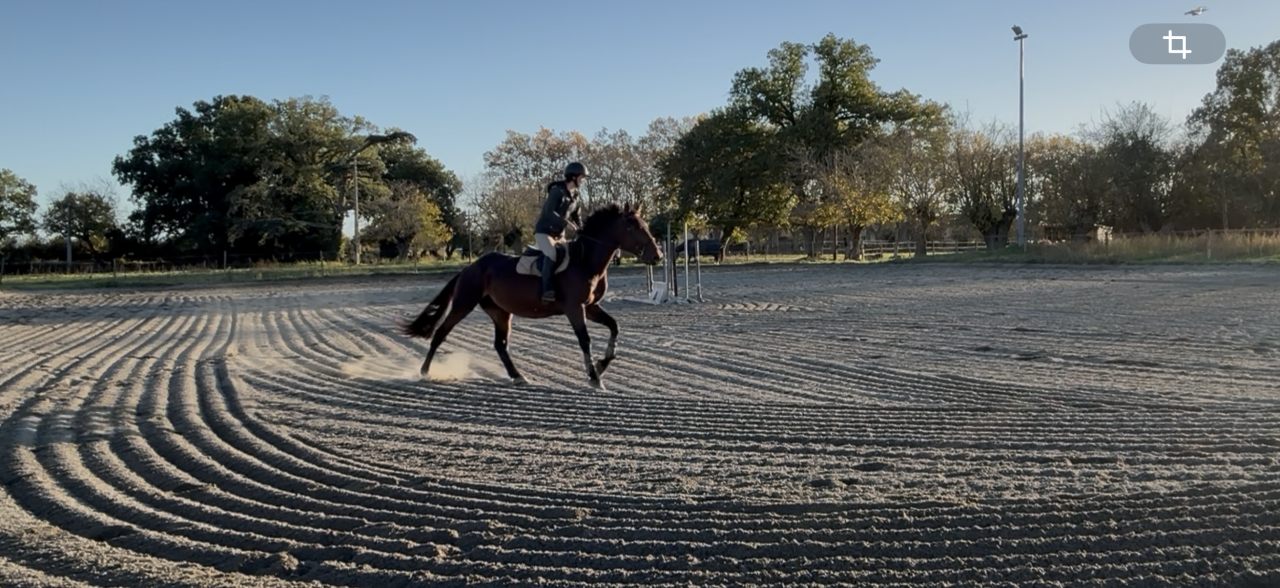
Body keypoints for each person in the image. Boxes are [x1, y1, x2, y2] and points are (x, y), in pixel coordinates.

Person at [534, 161, 587, 302]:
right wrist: (565, 223)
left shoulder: (576, 196)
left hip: (559, 235)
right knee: (552, 253)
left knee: (570, 256)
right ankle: (546, 290)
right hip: (544, 233)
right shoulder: (557, 191)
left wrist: (583, 231)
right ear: (573, 177)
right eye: (582, 177)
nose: (583, 180)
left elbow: (578, 218)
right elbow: (548, 213)